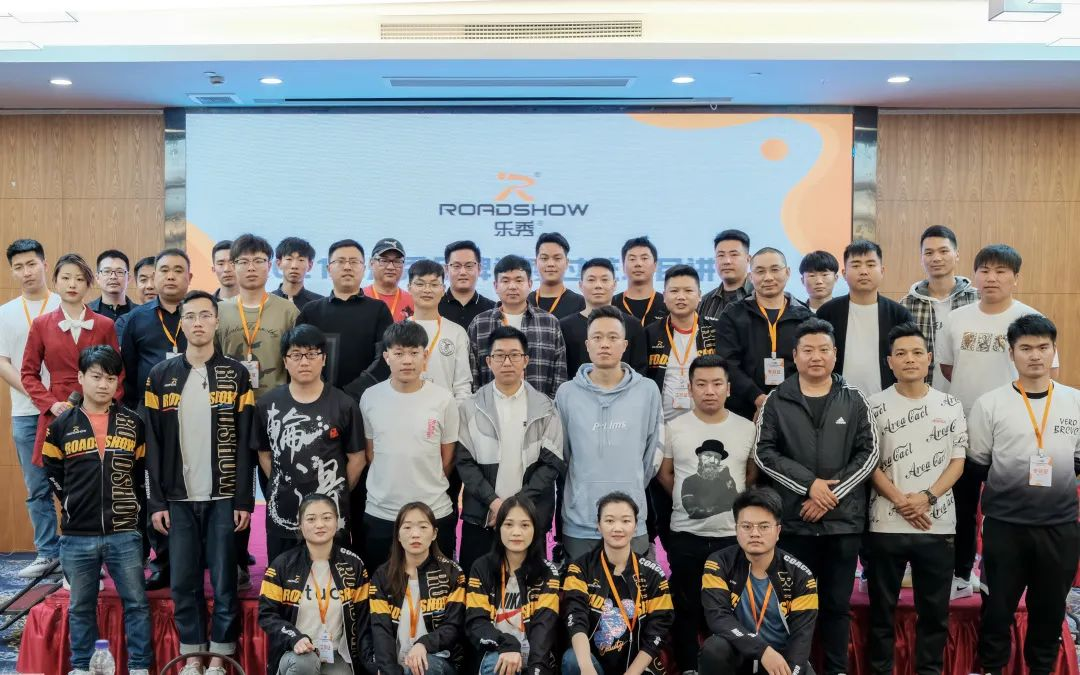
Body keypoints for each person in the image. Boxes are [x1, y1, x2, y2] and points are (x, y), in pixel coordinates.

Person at [753, 318, 878, 675]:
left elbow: (869, 452)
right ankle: (794, 669)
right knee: (793, 605)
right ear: (795, 356)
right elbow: (764, 453)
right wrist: (810, 485)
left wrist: (828, 495)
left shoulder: (854, 398)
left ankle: (835, 669)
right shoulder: (777, 400)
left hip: (842, 524)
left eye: (824, 349)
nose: (816, 356)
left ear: (835, 354)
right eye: (807, 350)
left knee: (837, 607)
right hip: (795, 523)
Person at [936, 243, 1057, 598]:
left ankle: (1002, 578)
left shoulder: (1030, 319)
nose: (992, 278)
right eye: (985, 270)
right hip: (964, 429)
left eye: (1001, 271)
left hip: (1015, 431)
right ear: (973, 276)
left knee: (1007, 512)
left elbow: (1047, 372)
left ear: (1015, 278)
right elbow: (948, 368)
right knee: (961, 507)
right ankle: (961, 574)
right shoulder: (956, 319)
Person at [144, 290, 255, 673]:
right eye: (190, 316)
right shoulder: (160, 376)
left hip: (223, 497)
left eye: (205, 315)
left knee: (225, 582)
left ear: (216, 321)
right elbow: (153, 445)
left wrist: (243, 500)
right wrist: (157, 502)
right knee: (184, 582)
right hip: (177, 498)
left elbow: (245, 443)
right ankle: (191, 654)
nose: (197, 323)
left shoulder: (236, 375)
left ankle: (221, 657)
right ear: (181, 323)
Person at [968, 314, 1080, 675]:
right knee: (996, 611)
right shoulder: (990, 404)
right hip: (1005, 527)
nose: (1035, 355)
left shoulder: (1075, 402)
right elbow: (979, 463)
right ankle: (992, 668)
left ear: (1054, 351)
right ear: (1011, 353)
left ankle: (1042, 669)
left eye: (1043, 347)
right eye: (1026, 348)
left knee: (1049, 613)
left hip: (1059, 527)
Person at [41, 345, 152, 675]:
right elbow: (52, 471)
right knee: (80, 607)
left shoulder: (133, 423)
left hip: (125, 533)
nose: (104, 385)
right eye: (96, 377)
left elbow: (140, 475)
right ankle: (81, 667)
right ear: (80, 377)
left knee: (137, 604)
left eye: (111, 378)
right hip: (77, 535)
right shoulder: (61, 425)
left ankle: (140, 667)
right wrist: (73, 502)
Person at [865, 323, 966, 675]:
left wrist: (926, 497)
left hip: (938, 523)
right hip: (884, 523)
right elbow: (869, 463)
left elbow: (958, 461)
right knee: (881, 613)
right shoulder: (873, 405)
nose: (910, 359)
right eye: (901, 353)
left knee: (934, 614)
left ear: (930, 358)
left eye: (917, 352)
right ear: (889, 361)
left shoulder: (951, 405)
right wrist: (901, 501)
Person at [655, 354, 757, 674]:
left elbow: (750, 475)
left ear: (729, 388)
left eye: (716, 383)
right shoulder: (674, 428)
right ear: (690, 388)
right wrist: (690, 503)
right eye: (701, 384)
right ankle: (688, 666)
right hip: (686, 535)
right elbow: (666, 474)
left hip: (732, 538)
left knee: (732, 608)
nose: (709, 391)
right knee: (686, 606)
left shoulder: (746, 428)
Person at [455, 325, 565, 574]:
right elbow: (464, 463)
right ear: (488, 361)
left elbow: (551, 464)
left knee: (530, 587)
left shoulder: (545, 407)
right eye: (499, 355)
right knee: (477, 586)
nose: (507, 362)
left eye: (514, 355)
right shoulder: (470, 407)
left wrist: (517, 507)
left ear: (526, 360)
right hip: (482, 516)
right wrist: (495, 503)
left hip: (529, 517)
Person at [252, 325, 366, 563]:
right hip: (284, 512)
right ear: (285, 361)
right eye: (296, 355)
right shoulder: (267, 405)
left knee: (332, 578)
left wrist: (337, 490)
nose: (304, 362)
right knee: (282, 578)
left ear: (323, 359)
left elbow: (357, 458)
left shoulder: (344, 405)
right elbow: (264, 453)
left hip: (331, 515)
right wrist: (283, 482)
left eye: (312, 354)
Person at [557, 306, 664, 560]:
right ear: (587, 344)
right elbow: (564, 455)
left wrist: (631, 486)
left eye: (613, 337)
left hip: (630, 521)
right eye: (597, 337)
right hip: (580, 521)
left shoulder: (647, 391)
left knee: (633, 585)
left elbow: (652, 455)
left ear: (625, 345)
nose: (604, 344)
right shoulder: (567, 393)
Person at [360, 322, 460, 571]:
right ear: (386, 357)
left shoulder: (443, 399)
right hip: (382, 512)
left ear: (425, 356)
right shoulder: (370, 397)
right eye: (399, 353)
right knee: (382, 585)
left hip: (433, 510)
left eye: (414, 353)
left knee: (437, 586)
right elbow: (370, 453)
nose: (407, 360)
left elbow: (448, 458)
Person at [699, 487, 817, 675]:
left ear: (778, 531)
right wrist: (762, 650)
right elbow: (718, 618)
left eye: (764, 526)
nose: (755, 533)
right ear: (736, 529)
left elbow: (801, 640)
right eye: (746, 526)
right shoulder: (719, 563)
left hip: (780, 661)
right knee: (715, 649)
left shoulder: (801, 575)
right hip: (738, 654)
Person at [22, 253, 121, 467]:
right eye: (66, 278)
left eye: (79, 279)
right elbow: (28, 374)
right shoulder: (41, 324)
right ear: (55, 282)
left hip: (97, 408)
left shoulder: (105, 324)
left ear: (88, 284)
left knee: (95, 471)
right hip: (59, 408)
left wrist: (107, 405)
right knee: (54, 473)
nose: (72, 284)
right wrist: (51, 404)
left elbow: (118, 372)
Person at [258, 493, 374, 675]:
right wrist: (294, 638)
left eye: (326, 518)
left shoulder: (354, 565)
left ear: (337, 521)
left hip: (335, 654)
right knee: (305, 663)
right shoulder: (282, 565)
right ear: (300, 524)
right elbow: (266, 614)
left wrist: (372, 664)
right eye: (311, 519)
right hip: (294, 651)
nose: (320, 524)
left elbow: (363, 621)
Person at [0, 239, 61, 579]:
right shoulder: (5, 313)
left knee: (75, 485)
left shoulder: (64, 304)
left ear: (44, 264)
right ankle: (47, 553)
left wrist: (54, 400)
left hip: (66, 411)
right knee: (37, 487)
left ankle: (77, 554)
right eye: (19, 267)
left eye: (32, 264)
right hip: (26, 413)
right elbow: (3, 362)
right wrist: (38, 395)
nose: (26, 272)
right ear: (12, 271)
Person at [561, 491, 673, 675]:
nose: (617, 528)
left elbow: (658, 629)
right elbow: (575, 618)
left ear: (635, 526)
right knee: (572, 660)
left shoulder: (653, 574)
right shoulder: (580, 568)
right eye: (609, 520)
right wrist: (586, 666)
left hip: (637, 668)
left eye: (626, 521)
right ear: (599, 526)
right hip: (593, 666)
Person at [465, 495, 561, 675]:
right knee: (497, 664)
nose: (516, 532)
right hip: (497, 653)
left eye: (524, 525)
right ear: (498, 528)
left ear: (535, 530)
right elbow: (476, 622)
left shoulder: (548, 572)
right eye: (509, 524)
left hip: (536, 659)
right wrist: (508, 645)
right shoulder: (482, 567)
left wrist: (536, 669)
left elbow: (544, 627)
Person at [714, 248, 814, 420]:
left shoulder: (805, 317)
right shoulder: (733, 314)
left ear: (787, 272)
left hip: (795, 408)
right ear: (750, 277)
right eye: (760, 271)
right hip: (743, 411)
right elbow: (727, 363)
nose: (768, 277)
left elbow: (810, 364)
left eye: (775, 269)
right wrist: (757, 398)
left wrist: (785, 399)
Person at [370, 502, 465, 675]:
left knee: (423, 666)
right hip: (396, 664)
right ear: (398, 535)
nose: (415, 534)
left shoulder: (453, 573)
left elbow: (453, 626)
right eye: (407, 527)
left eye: (423, 527)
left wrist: (424, 644)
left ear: (434, 533)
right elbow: (380, 630)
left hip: (437, 661)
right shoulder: (382, 576)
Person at [816, 239, 914, 397]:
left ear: (882, 271)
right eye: (856, 265)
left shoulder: (899, 315)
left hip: (888, 399)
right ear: (844, 273)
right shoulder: (827, 313)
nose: (863, 271)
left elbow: (909, 360)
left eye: (870, 264)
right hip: (837, 399)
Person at [297, 239, 394, 393]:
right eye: (340, 261)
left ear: (364, 268)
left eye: (354, 262)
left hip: (367, 397)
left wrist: (352, 393)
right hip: (318, 398)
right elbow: (299, 356)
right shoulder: (311, 311)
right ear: (329, 269)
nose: (347, 267)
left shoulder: (379, 310)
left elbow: (386, 358)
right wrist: (324, 394)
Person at [468, 254, 567, 399]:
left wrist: (550, 406)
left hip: (539, 407)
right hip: (491, 407)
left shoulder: (549, 322)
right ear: (495, 286)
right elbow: (473, 374)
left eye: (519, 280)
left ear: (530, 284)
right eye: (505, 281)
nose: (512, 286)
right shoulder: (480, 323)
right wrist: (479, 405)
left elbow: (559, 373)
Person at [217, 233, 300, 399]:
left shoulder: (288, 311)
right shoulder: (218, 311)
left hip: (276, 403)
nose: (251, 267)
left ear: (269, 266)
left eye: (258, 261)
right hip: (229, 402)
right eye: (243, 261)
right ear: (233, 266)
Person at [899, 225, 978, 389]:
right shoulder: (905, 305)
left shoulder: (977, 300)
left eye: (943, 251)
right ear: (921, 258)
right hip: (921, 395)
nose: (936, 258)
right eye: (929, 253)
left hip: (967, 392)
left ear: (957, 254)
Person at [645, 265, 720, 422]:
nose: (681, 297)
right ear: (664, 296)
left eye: (688, 291)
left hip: (707, 422)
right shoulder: (650, 333)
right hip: (662, 424)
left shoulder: (716, 331)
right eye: (674, 291)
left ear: (699, 295)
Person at [119, 248, 191, 409]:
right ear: (155, 276)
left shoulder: (201, 314)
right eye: (164, 270)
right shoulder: (136, 318)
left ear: (190, 277)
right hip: (149, 407)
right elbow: (129, 370)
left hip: (193, 404)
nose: (170, 276)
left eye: (178, 270)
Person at [560, 257, 648, 377]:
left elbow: (640, 370)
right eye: (591, 280)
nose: (598, 285)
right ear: (580, 285)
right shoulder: (564, 326)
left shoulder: (633, 325)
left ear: (615, 284)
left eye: (604, 280)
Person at [406, 259, 472, 399]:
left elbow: (462, 386)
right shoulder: (398, 331)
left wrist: (457, 412)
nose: (427, 290)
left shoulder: (457, 332)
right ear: (409, 288)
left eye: (434, 284)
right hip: (406, 407)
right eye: (420, 284)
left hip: (446, 410)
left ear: (443, 290)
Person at [699, 229, 754, 323]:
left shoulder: (761, 297)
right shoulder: (704, 301)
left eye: (734, 255)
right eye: (721, 255)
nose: (727, 261)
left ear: (748, 259)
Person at [439, 240, 496, 330]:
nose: (463, 272)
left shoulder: (493, 309)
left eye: (469, 266)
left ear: (479, 269)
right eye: (456, 266)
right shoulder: (434, 307)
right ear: (446, 269)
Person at [528, 232, 586, 319]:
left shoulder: (580, 303)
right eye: (544, 258)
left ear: (567, 263)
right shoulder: (525, 301)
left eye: (557, 258)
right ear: (536, 262)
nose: (551, 264)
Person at [613, 236, 667, 327]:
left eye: (644, 258)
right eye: (632, 259)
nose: (638, 264)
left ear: (655, 265)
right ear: (623, 266)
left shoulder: (667, 304)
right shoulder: (612, 304)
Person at [365, 238, 414, 322]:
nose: (391, 267)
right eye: (384, 260)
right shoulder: (358, 298)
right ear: (371, 263)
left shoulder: (413, 302)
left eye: (397, 261)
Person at [273, 236, 324, 309]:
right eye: (289, 259)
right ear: (279, 263)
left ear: (310, 265)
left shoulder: (320, 304)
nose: (294, 266)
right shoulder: (265, 301)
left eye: (301, 260)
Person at [89, 249, 138, 321]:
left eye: (119, 272)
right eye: (107, 271)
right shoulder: (86, 312)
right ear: (97, 278)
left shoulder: (140, 313)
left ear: (128, 278)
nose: (113, 277)